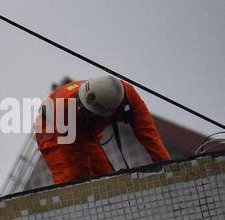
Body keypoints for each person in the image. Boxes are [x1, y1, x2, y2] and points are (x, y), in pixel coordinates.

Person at [34, 74, 170, 185]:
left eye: (85, 110)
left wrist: (170, 169)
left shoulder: (130, 100)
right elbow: (78, 157)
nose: (80, 108)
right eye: (80, 102)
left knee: (107, 180)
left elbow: (150, 136)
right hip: (54, 127)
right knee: (73, 177)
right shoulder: (65, 107)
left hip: (83, 129)